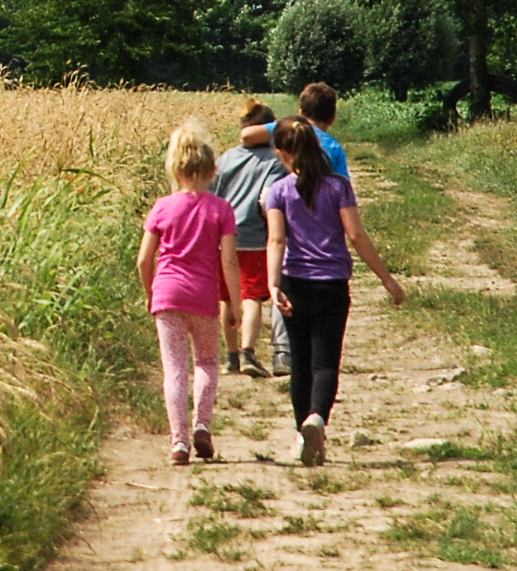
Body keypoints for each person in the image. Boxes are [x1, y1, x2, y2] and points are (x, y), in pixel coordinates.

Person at [266, 117, 407, 467]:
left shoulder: (278, 191)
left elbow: (276, 240)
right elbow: (356, 236)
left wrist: (272, 284)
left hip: (294, 283)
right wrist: (387, 279)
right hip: (332, 285)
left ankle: (304, 434)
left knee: (299, 362)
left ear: (282, 153)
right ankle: (318, 418)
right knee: (326, 361)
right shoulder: (338, 187)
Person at [140, 120, 245, 466]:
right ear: (212, 169)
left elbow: (143, 259)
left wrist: (149, 292)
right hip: (203, 297)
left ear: (175, 168)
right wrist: (234, 302)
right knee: (207, 362)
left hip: (166, 295)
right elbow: (228, 260)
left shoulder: (161, 207)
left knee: (174, 370)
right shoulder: (220, 210)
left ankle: (179, 443)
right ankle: (202, 424)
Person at [212, 103, 287, 377]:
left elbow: (211, 193)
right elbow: (267, 199)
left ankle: (230, 358)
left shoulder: (225, 158)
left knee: (227, 298)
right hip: (255, 237)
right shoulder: (275, 162)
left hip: (223, 238)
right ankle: (248, 353)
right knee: (252, 296)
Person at [297, 81, 353, 182]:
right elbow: (343, 185)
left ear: (302, 113)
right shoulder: (334, 148)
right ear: (333, 118)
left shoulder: (289, 136)